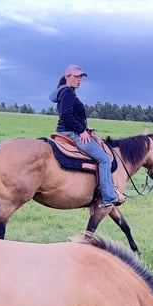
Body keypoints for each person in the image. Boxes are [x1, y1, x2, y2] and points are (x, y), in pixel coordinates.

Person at [49, 64, 125, 208]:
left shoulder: (65, 92)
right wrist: (81, 130)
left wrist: (85, 127)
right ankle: (109, 197)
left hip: (66, 131)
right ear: (67, 77)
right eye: (76, 76)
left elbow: (71, 114)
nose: (79, 80)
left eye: (81, 77)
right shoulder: (68, 93)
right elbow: (65, 115)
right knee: (104, 159)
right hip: (72, 133)